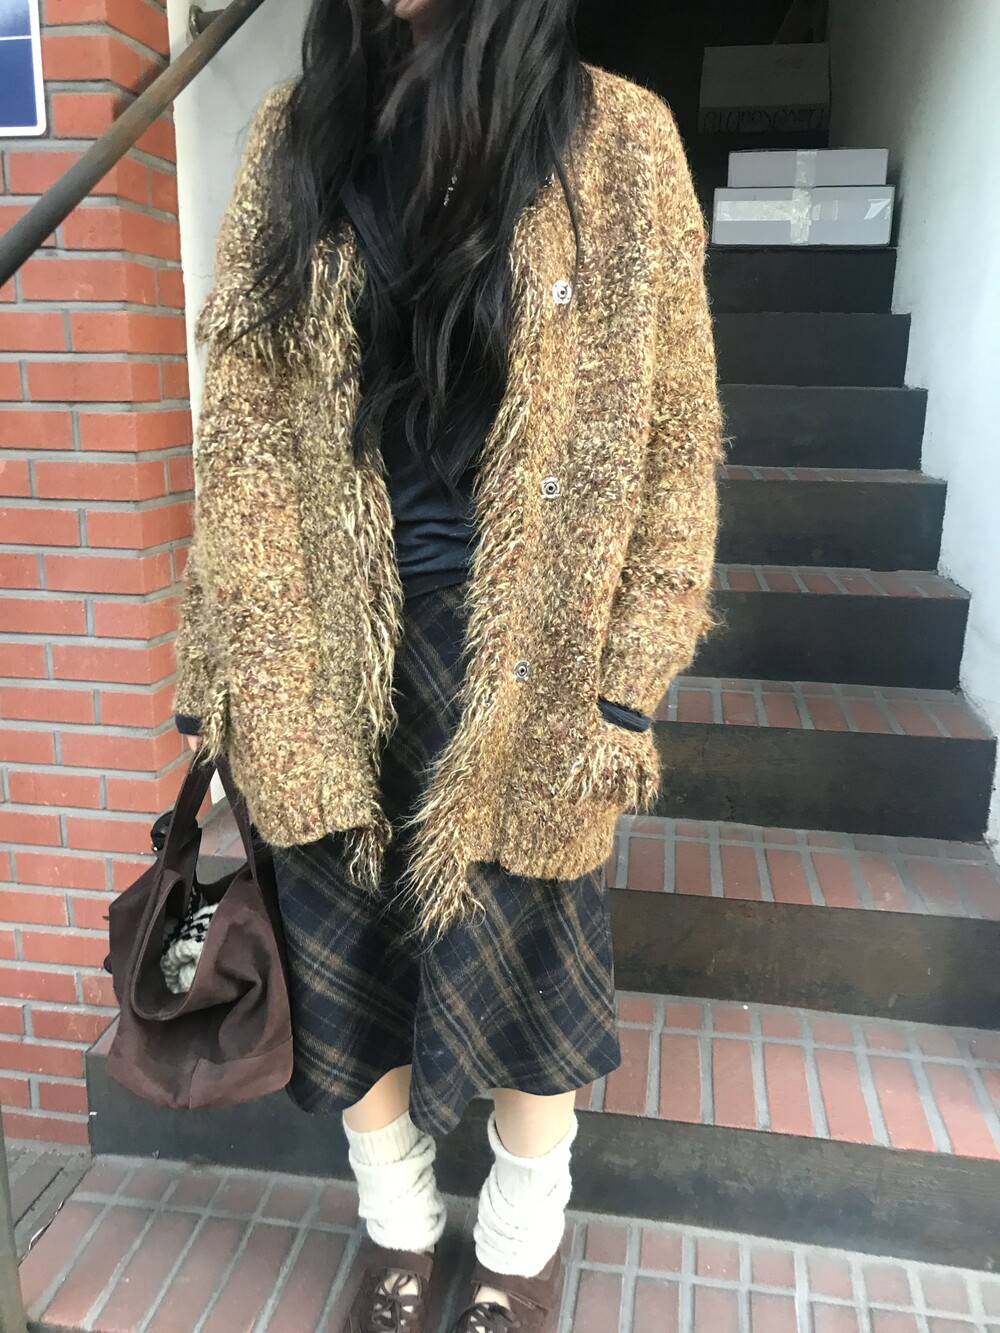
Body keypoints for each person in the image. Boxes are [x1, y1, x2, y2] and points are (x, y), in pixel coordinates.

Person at [172, 0, 723, 1327]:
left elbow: (678, 434)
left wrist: (628, 676)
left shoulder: (620, 139)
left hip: (538, 654)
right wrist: (232, 668)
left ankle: (520, 1247)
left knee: (536, 975)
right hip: (322, 646)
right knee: (343, 961)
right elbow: (239, 430)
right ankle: (400, 1226)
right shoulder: (296, 134)